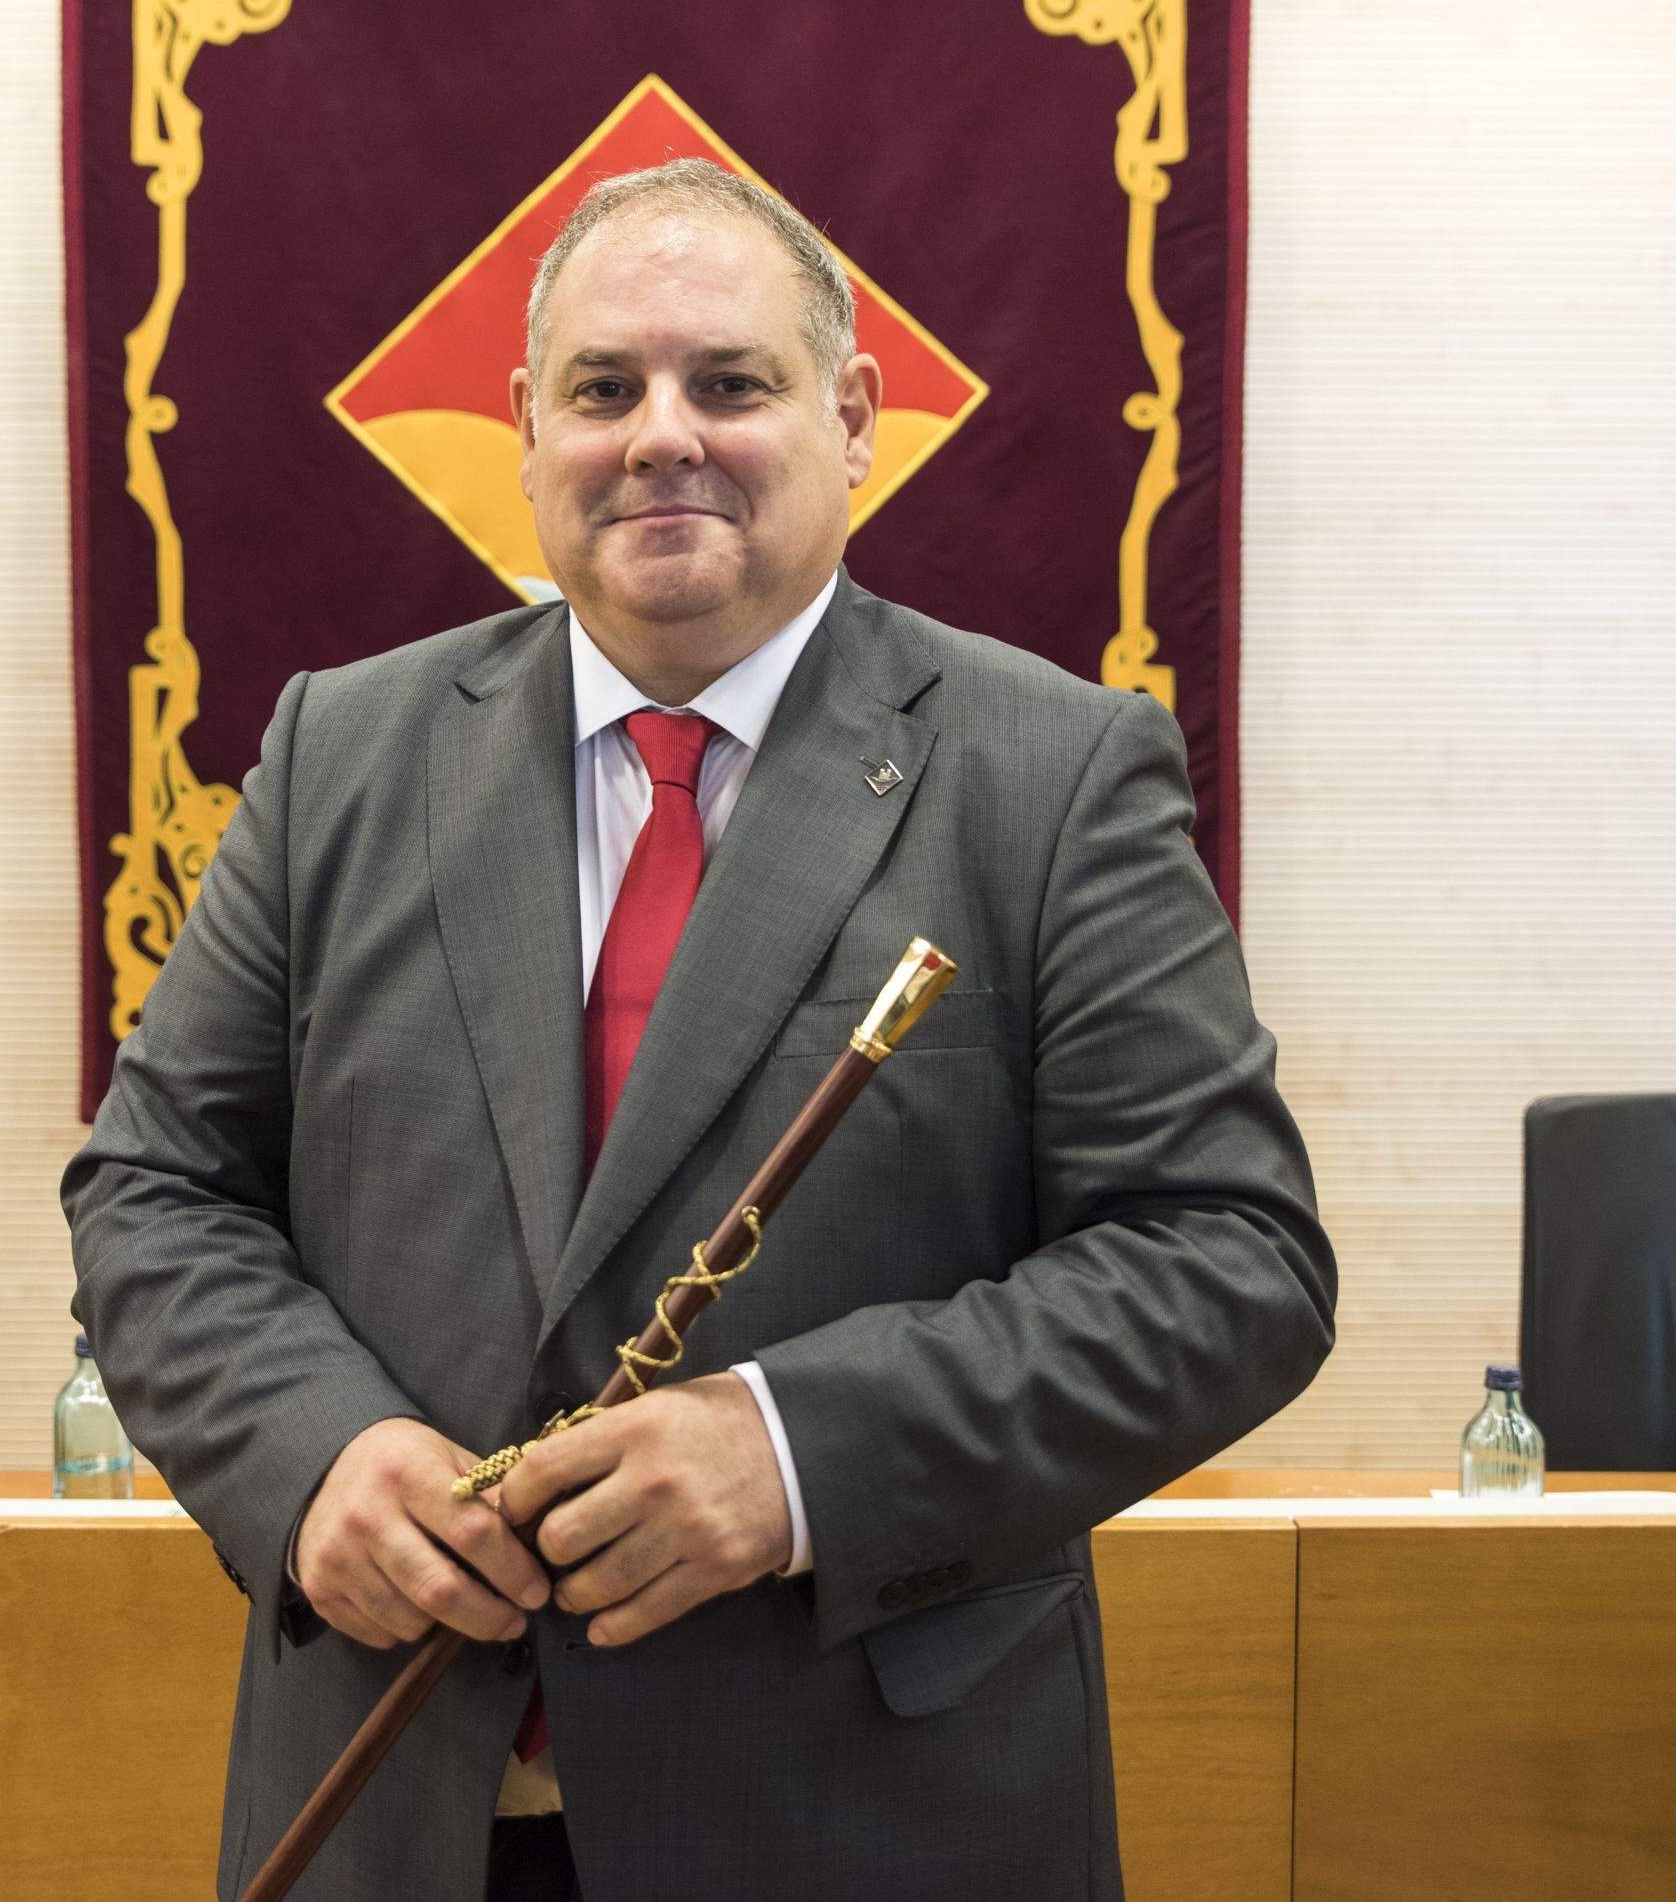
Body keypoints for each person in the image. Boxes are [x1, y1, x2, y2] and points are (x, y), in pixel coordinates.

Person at [64, 158, 1335, 1902]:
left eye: (729, 382)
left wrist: (798, 1454)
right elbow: (154, 1192)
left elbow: (1232, 1263)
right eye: (604, 388)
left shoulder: (1052, 774)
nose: (663, 432)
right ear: (525, 431)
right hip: (400, 1807)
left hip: (866, 1823)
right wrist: (312, 1459)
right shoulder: (336, 757)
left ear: (856, 416)